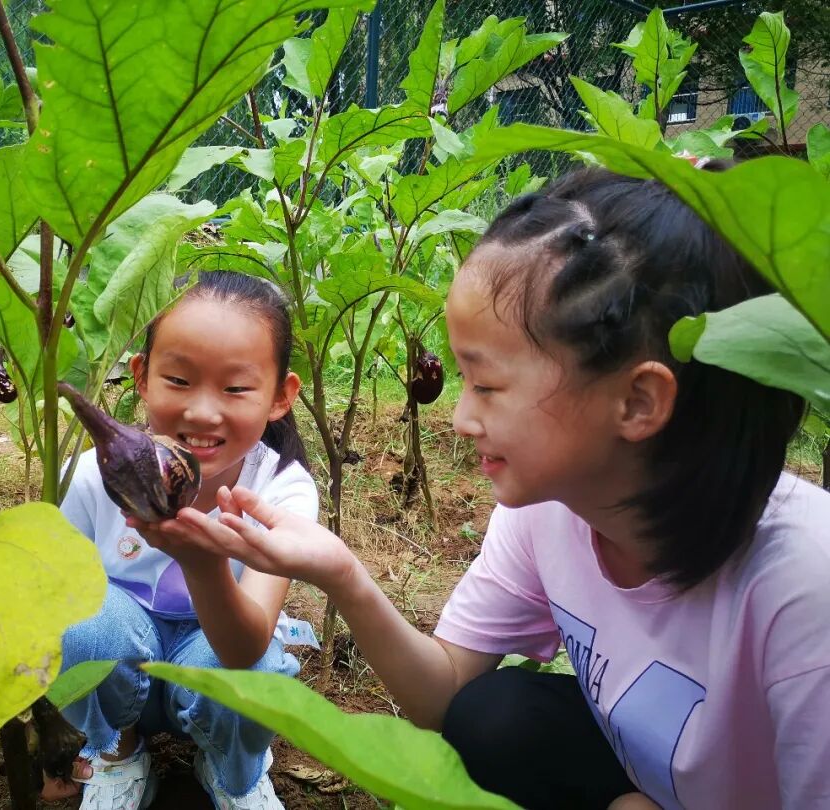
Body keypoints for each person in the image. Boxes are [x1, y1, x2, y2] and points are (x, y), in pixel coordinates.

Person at [150, 168, 830, 809]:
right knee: (494, 715)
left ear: (638, 401)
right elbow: (447, 695)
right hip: (652, 782)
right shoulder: (553, 510)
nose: (463, 416)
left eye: (488, 385)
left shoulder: (805, 590)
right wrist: (343, 574)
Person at [44, 271, 319, 810]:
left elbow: (245, 649)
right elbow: (53, 604)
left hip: (217, 663)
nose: (202, 411)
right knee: (78, 622)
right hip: (125, 671)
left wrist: (203, 563)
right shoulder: (87, 478)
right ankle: (117, 753)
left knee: (260, 673)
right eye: (179, 380)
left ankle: (231, 769)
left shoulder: (282, 491)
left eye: (237, 388)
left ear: (280, 397)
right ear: (142, 377)